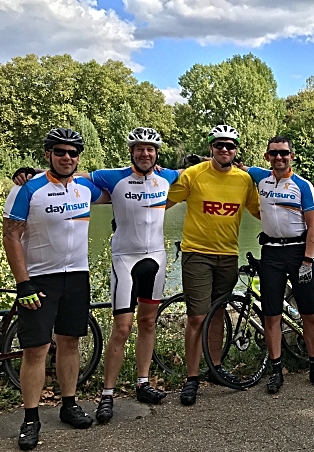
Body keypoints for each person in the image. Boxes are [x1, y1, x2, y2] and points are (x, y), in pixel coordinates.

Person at [3, 128, 109, 450]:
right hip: (39, 278)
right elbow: (11, 235)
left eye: (73, 153)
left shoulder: (84, 187)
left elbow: (112, 185)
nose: (67, 158)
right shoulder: (27, 189)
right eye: (60, 152)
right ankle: (30, 419)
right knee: (35, 350)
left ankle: (68, 404)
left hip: (77, 276)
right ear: (48, 154)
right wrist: (23, 284)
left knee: (70, 343)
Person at [87, 128, 180, 421]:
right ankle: (107, 393)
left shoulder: (168, 177)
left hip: (156, 258)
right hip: (124, 259)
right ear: (131, 151)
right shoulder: (111, 177)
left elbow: (198, 169)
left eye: (150, 149)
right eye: (139, 148)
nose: (145, 153)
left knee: (149, 322)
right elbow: (71, 176)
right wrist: (34, 174)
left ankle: (142, 382)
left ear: (157, 153)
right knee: (122, 328)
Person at [166, 125, 261, 405]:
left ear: (236, 150)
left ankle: (215, 367)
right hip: (197, 253)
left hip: (228, 255)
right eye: (219, 145)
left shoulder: (243, 180)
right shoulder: (194, 175)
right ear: (210, 148)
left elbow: (262, 210)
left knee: (218, 312)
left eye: (230, 146)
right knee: (197, 316)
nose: (224, 150)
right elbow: (160, 203)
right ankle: (192, 377)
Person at [241, 136, 314, 393]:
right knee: (272, 315)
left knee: (309, 313)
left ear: (292, 155)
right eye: (274, 153)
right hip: (271, 252)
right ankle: (276, 370)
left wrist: (307, 258)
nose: (279, 157)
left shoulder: (302, 185)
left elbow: (313, 225)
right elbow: (235, 166)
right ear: (267, 156)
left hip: (298, 252)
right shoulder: (260, 178)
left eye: (284, 153)